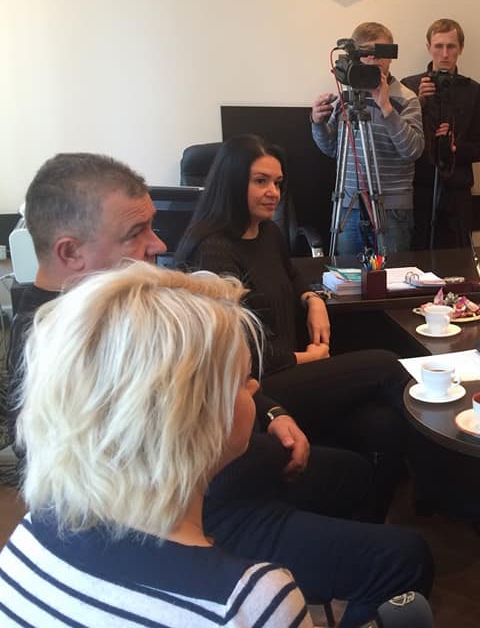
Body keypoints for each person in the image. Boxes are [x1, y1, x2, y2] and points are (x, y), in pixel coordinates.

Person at [9, 153, 433, 628]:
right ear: (70, 253)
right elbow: (86, 492)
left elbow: (219, 377)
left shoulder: (133, 308)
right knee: (403, 548)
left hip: (219, 473)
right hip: (202, 505)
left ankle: (352, 564)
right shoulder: (53, 343)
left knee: (364, 449)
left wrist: (271, 412)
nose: (158, 244)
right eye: (135, 233)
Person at [0, 262, 312, 626]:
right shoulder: (250, 603)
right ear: (192, 416)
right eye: (244, 381)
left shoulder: (31, 533)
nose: (256, 388)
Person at [174, 135, 414, 519]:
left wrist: (312, 299)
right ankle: (449, 476)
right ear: (233, 182)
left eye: (278, 183)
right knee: (387, 364)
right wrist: (308, 358)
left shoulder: (267, 232)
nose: (273, 192)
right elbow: (237, 348)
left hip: (292, 372)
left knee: (381, 424)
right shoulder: (213, 250)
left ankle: (371, 522)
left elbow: (292, 275)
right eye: (261, 181)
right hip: (254, 389)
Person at [312, 21, 424, 255]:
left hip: (392, 209)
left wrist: (387, 109)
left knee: (391, 274)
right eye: (367, 53)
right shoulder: (347, 96)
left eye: (380, 53)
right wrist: (317, 123)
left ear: (390, 57)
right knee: (347, 273)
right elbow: (332, 149)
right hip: (349, 205)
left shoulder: (406, 98)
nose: (374, 59)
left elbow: (413, 150)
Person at [401, 18, 480, 249]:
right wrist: (417, 102)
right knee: (418, 254)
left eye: (451, 46)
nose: (444, 54)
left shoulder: (472, 90)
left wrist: (456, 148)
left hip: (457, 189)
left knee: (458, 258)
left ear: (461, 48)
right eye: (438, 46)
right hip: (419, 187)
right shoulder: (409, 86)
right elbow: (399, 139)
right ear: (428, 47)